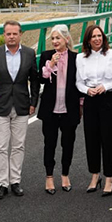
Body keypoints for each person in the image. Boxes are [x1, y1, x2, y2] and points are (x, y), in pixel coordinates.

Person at [0, 20, 40, 200]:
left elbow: (35, 80)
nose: (12, 37)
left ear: (20, 34)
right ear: (4, 35)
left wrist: (33, 102)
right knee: (0, 146)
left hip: (22, 105)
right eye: (8, 34)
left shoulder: (29, 53)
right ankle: (2, 184)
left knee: (18, 145)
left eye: (15, 33)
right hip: (0, 106)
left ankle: (15, 181)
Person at [75, 24, 112, 196]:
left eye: (99, 36)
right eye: (93, 36)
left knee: (108, 139)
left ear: (103, 38)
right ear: (88, 40)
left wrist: (106, 86)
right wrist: (88, 90)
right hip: (90, 100)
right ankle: (95, 175)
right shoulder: (80, 58)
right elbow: (78, 82)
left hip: (107, 99)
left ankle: (109, 177)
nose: (97, 39)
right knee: (91, 139)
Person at [38, 25, 81, 195]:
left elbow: (79, 83)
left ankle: (65, 174)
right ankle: (49, 176)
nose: (55, 41)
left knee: (68, 143)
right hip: (50, 109)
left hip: (69, 108)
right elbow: (41, 79)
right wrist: (51, 64)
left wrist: (81, 105)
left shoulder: (76, 58)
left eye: (58, 38)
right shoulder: (46, 56)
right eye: (53, 39)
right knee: (50, 143)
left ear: (67, 39)